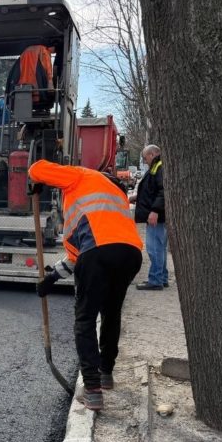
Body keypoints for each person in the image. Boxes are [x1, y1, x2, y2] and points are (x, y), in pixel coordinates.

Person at [29, 160, 143, 411]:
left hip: (99, 252)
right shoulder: (115, 194)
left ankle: (91, 390)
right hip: (130, 254)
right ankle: (105, 375)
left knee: (85, 319)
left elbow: (36, 168)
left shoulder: (82, 175)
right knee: (111, 313)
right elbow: (76, 258)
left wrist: (36, 182)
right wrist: (51, 279)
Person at [130, 145, 168, 290]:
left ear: (152, 154)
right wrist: (137, 198)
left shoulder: (158, 167)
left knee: (154, 248)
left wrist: (155, 211)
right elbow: (152, 191)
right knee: (160, 248)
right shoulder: (158, 166)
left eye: (146, 158)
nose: (145, 161)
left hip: (155, 216)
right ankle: (162, 278)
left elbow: (162, 191)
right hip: (157, 214)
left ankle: (155, 280)